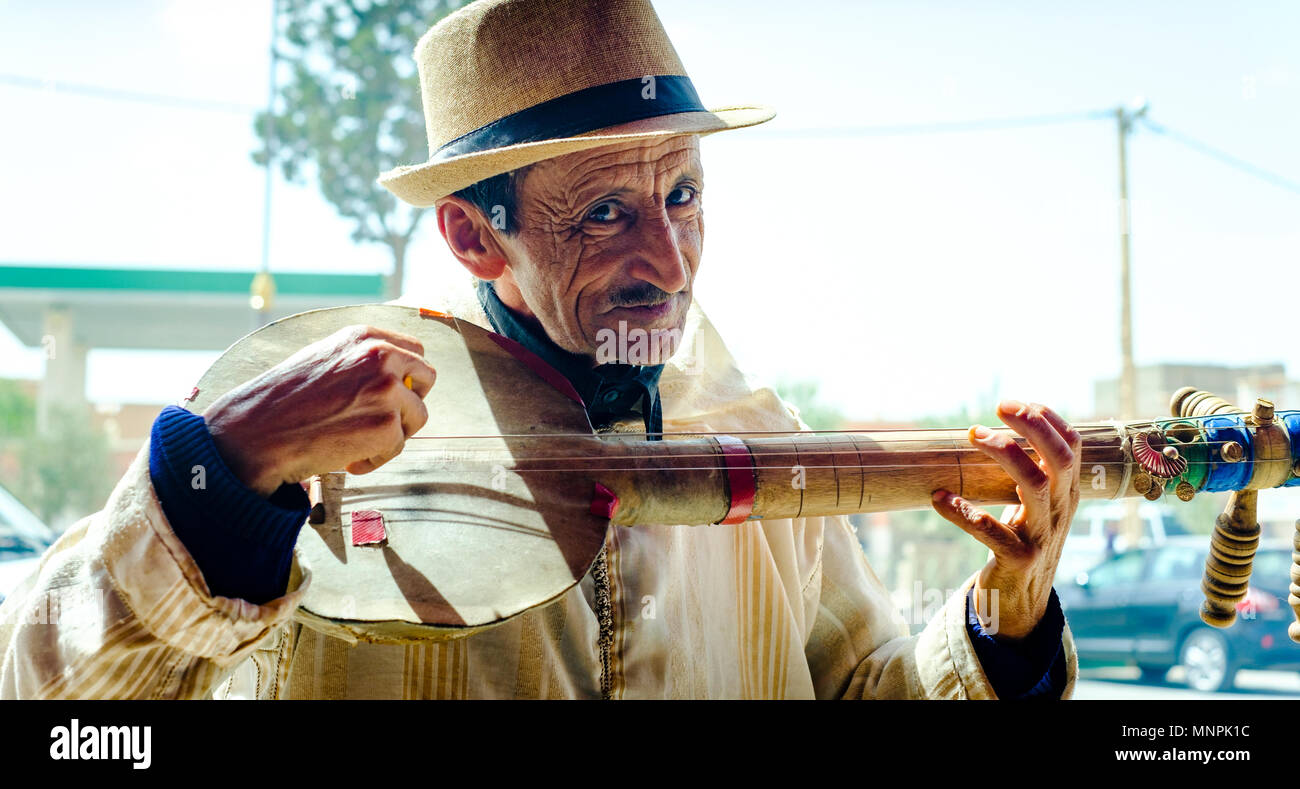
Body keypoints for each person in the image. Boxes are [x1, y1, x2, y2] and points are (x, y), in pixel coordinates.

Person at [0, 0, 1080, 699]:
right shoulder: (318, 445)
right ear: (474, 235)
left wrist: (1008, 610)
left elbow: (869, 690)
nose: (669, 256)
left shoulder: (751, 434)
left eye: (684, 194)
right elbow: (61, 702)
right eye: (605, 211)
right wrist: (213, 482)